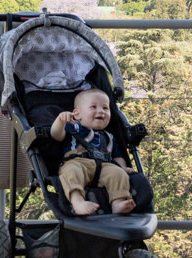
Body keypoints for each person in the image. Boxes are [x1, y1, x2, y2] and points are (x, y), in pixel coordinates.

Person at [51, 87, 137, 216]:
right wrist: (60, 121)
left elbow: (117, 156)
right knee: (70, 171)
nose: (101, 111)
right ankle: (78, 201)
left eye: (105, 108)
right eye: (93, 107)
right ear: (77, 114)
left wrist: (122, 168)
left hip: (104, 166)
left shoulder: (109, 136)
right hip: (78, 162)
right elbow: (56, 135)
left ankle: (118, 202)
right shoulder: (74, 127)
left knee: (118, 174)